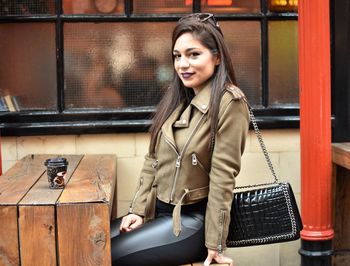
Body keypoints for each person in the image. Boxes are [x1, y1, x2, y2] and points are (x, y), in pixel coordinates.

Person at [111, 13, 250, 266]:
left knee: (111, 255)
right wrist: (137, 210)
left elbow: (223, 176)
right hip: (159, 214)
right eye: (177, 56)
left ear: (217, 57)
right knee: (91, 241)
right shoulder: (178, 100)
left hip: (191, 223)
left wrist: (215, 243)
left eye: (193, 54)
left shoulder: (230, 102)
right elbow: (153, 159)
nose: (183, 64)